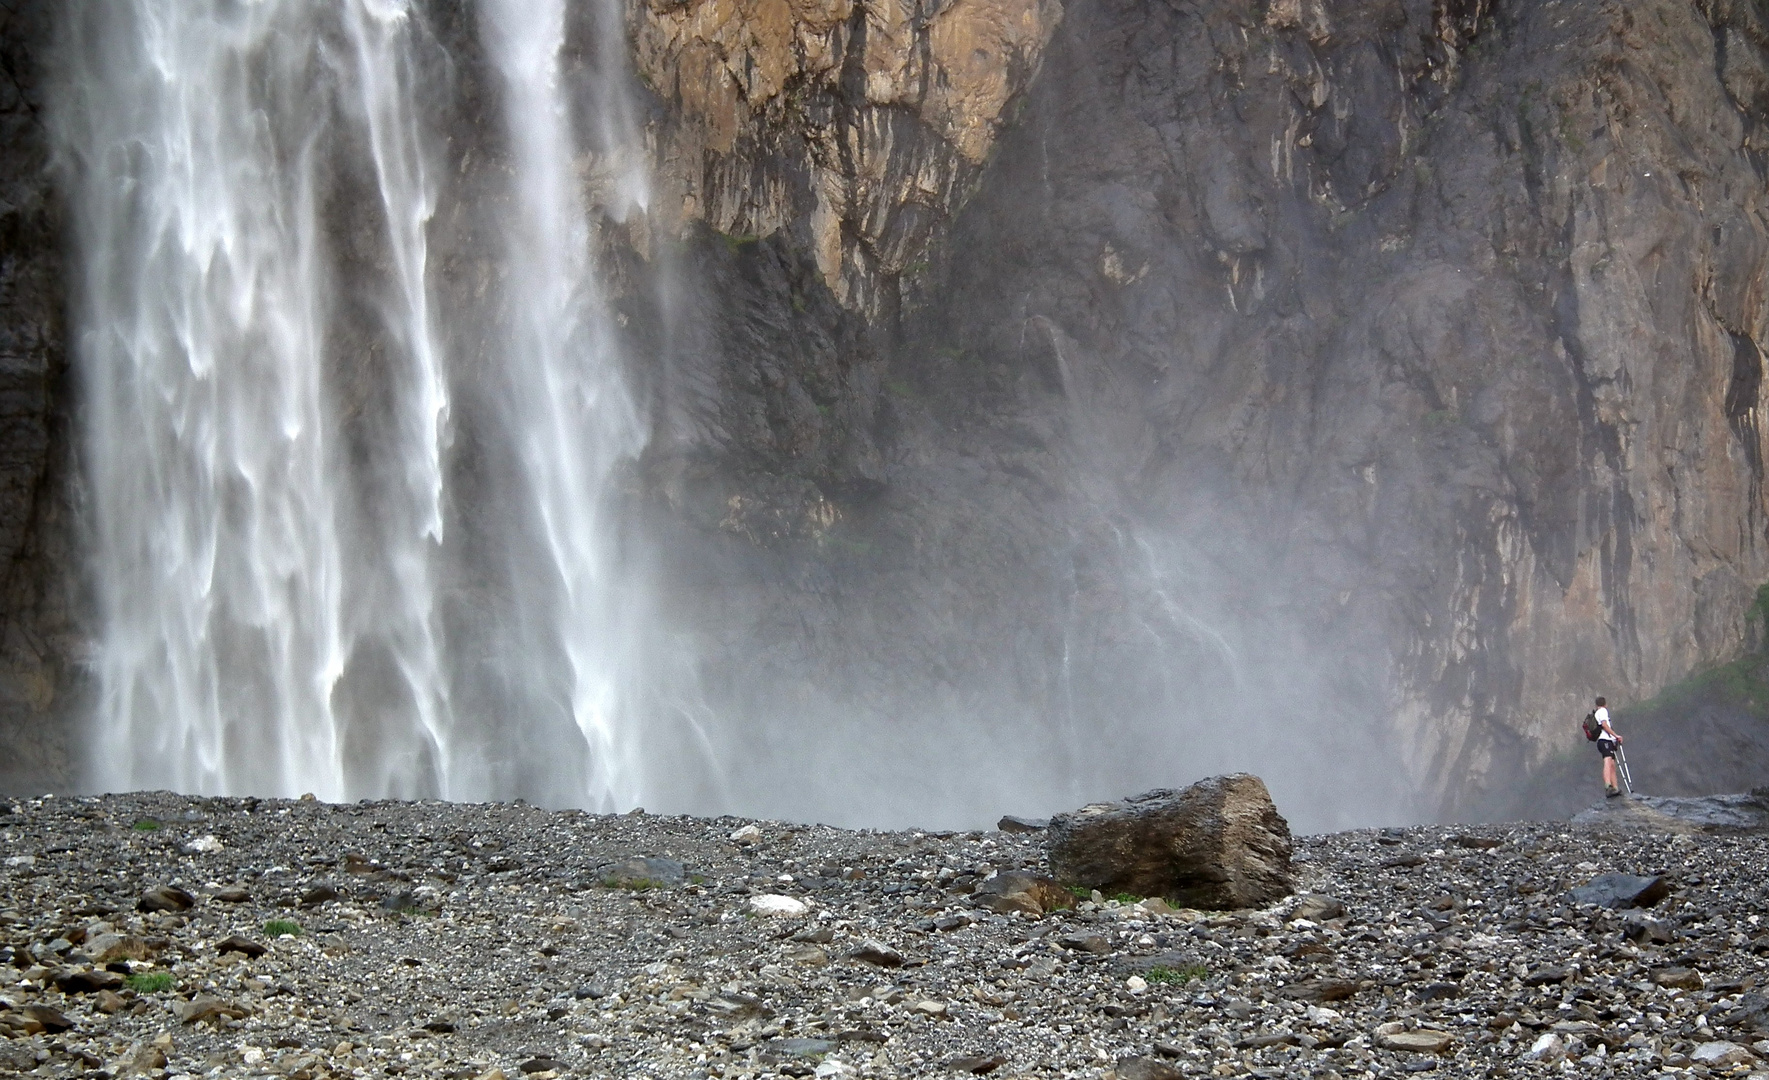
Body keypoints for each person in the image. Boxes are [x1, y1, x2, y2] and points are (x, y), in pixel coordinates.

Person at [1593, 696, 1624, 797]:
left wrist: (1614, 739)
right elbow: (1604, 725)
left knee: (1612, 764)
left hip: (1606, 740)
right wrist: (1616, 735)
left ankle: (1615, 787)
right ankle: (1608, 786)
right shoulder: (1602, 711)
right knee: (1607, 761)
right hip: (1604, 740)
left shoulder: (1597, 712)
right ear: (1605, 704)